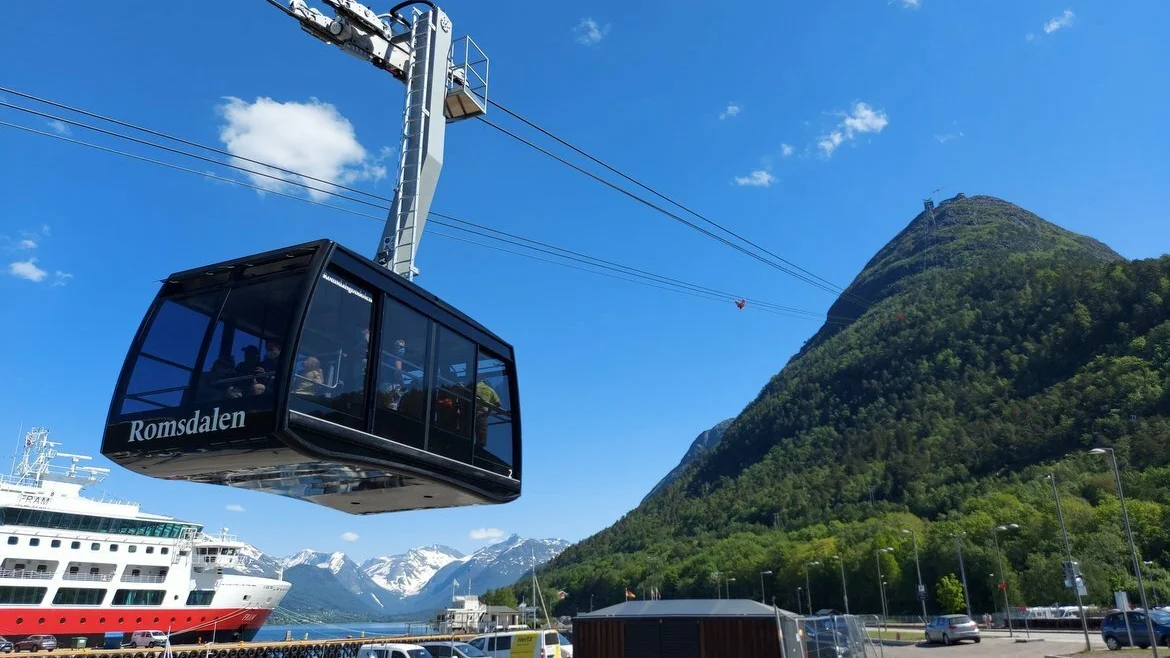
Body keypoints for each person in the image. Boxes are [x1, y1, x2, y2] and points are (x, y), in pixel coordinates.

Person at [475, 379, 501, 448]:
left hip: (469, 413)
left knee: (467, 431)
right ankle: (479, 449)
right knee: (481, 435)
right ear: (486, 383)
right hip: (482, 414)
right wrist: (490, 411)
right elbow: (498, 404)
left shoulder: (472, 386)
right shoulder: (489, 389)